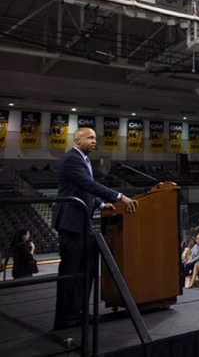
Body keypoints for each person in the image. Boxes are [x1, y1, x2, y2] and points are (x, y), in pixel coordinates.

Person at [53, 128, 138, 330]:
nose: (94, 141)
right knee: (70, 270)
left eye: (95, 138)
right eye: (90, 138)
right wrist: (119, 197)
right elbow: (87, 184)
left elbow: (85, 189)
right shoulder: (72, 159)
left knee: (86, 270)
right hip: (71, 223)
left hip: (83, 221)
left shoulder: (84, 159)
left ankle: (78, 311)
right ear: (77, 139)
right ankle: (64, 316)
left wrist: (100, 205)